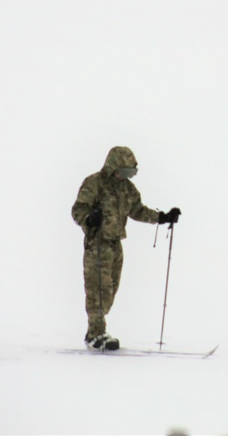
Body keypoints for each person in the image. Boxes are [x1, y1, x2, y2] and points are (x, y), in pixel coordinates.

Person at [71, 146, 181, 351]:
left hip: (115, 244)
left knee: (110, 290)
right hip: (97, 243)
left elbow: (137, 210)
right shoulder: (94, 183)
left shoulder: (127, 189)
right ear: (113, 167)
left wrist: (162, 217)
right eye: (124, 171)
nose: (126, 176)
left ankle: (94, 330)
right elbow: (78, 209)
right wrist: (89, 219)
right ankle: (96, 334)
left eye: (131, 172)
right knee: (98, 290)